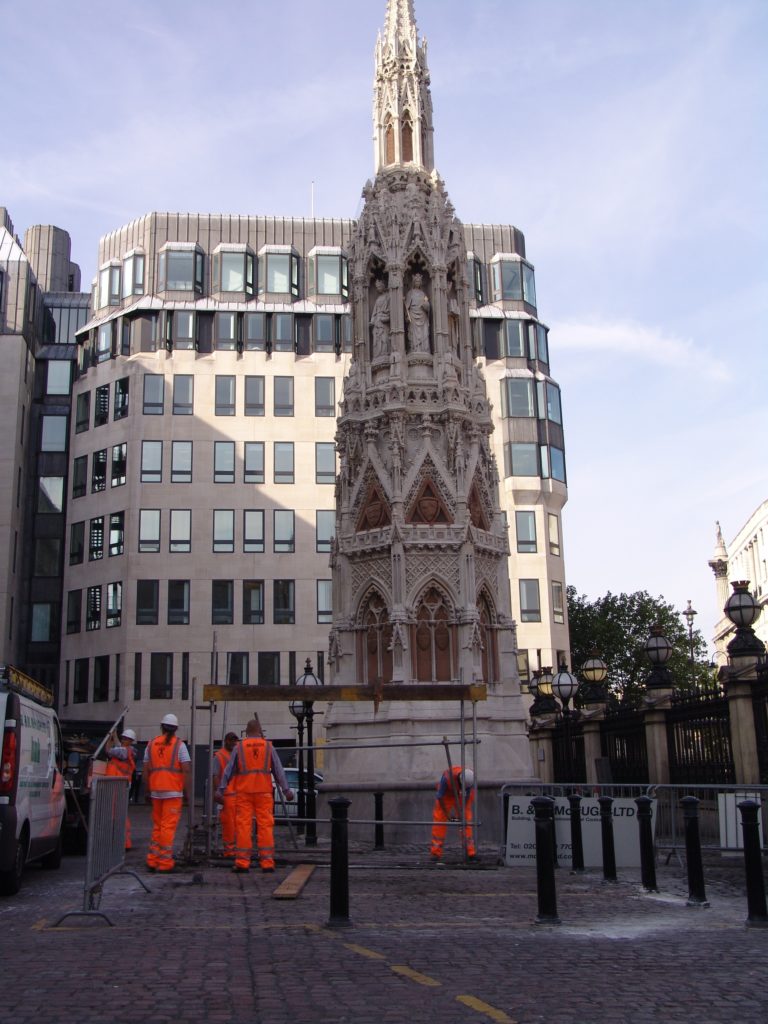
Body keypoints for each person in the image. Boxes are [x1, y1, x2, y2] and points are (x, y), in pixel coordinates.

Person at [215, 717, 294, 874]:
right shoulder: (268, 746)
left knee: (243, 826)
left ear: (246, 731)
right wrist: (286, 791)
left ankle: (243, 862)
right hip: (264, 792)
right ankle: (267, 862)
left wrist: (220, 790)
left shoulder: (240, 747)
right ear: (260, 731)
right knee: (265, 826)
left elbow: (229, 770)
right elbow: (278, 770)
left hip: (244, 792)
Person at [143, 713, 192, 872]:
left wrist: (146, 791)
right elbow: (186, 770)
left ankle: (152, 859)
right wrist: (187, 793)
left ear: (161, 726)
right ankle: (164, 862)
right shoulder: (180, 746)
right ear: (176, 729)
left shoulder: (151, 744)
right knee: (168, 827)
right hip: (173, 792)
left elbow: (146, 770)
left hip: (156, 791)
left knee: (157, 826)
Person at [430, 766, 476, 862]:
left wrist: (461, 812)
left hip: (461, 796)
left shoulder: (469, 780)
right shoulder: (447, 778)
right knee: (439, 821)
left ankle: (470, 852)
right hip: (446, 795)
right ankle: (435, 852)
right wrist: (447, 815)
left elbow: (466, 798)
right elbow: (440, 797)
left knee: (465, 820)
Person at [105, 727, 137, 850]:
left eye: (126, 739)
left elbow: (109, 750)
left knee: (117, 815)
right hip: (119, 787)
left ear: (130, 741)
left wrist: (110, 738)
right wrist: (114, 735)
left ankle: (120, 842)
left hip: (118, 787)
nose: (123, 740)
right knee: (119, 814)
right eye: (123, 738)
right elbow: (119, 746)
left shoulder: (124, 752)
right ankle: (122, 842)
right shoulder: (129, 751)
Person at [212, 732, 239, 859]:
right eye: (232, 741)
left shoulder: (236, 754)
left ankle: (236, 849)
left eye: (235, 741)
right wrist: (219, 793)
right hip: (227, 796)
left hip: (237, 795)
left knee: (238, 825)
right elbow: (215, 776)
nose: (234, 743)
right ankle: (229, 851)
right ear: (226, 741)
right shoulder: (219, 756)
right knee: (229, 825)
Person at [405, 272, 431, 352]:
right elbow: (407, 307)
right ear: (413, 282)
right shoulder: (410, 293)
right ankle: (414, 349)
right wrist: (407, 315)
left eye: (419, 282)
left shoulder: (423, 294)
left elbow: (428, 305)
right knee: (413, 335)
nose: (417, 283)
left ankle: (424, 350)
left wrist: (426, 305)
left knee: (424, 333)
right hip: (413, 316)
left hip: (423, 316)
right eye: (416, 281)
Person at [370, 278, 391, 358]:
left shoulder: (388, 296)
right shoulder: (378, 299)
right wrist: (372, 321)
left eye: (379, 287)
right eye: (377, 287)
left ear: (383, 286)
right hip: (377, 323)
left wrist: (384, 317)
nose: (378, 289)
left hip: (383, 321)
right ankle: (379, 355)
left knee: (384, 338)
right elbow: (374, 312)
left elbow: (391, 310)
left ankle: (385, 353)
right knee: (377, 340)